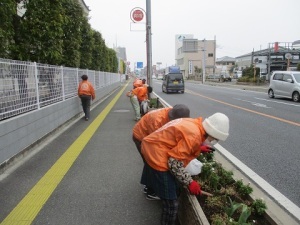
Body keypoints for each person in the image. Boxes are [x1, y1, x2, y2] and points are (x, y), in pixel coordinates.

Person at [140, 112, 229, 225]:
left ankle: (152, 189)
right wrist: (190, 182)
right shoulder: (194, 136)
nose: (212, 142)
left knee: (172, 185)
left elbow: (179, 141)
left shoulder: (195, 124)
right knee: (172, 204)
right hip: (157, 153)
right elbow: (174, 163)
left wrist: (199, 147)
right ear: (211, 133)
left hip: (151, 145)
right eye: (214, 139)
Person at [132, 104, 190, 200]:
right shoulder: (157, 121)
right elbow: (154, 144)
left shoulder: (174, 113)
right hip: (141, 138)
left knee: (148, 164)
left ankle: (148, 187)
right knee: (153, 164)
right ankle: (151, 192)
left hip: (148, 138)